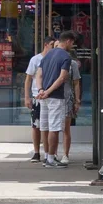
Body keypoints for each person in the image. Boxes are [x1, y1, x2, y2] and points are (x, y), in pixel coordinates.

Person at [36, 30, 77, 169]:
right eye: (72, 43)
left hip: (44, 97)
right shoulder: (66, 57)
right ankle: (51, 159)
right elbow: (62, 77)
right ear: (68, 41)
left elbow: (39, 74)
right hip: (55, 97)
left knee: (45, 127)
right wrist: (48, 91)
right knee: (54, 128)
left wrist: (41, 90)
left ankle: (47, 156)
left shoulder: (47, 55)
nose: (72, 46)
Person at [24, 36, 55, 162]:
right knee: (36, 125)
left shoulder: (54, 59)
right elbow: (28, 79)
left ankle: (49, 152)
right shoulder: (35, 59)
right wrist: (27, 97)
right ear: (46, 44)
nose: (54, 48)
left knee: (50, 125)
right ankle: (37, 152)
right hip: (37, 96)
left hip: (50, 94)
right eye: (52, 45)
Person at [60, 48, 82, 165]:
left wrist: (77, 100)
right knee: (51, 127)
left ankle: (65, 154)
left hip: (67, 97)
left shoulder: (72, 64)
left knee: (65, 128)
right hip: (54, 97)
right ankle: (51, 154)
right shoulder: (53, 61)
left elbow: (76, 82)